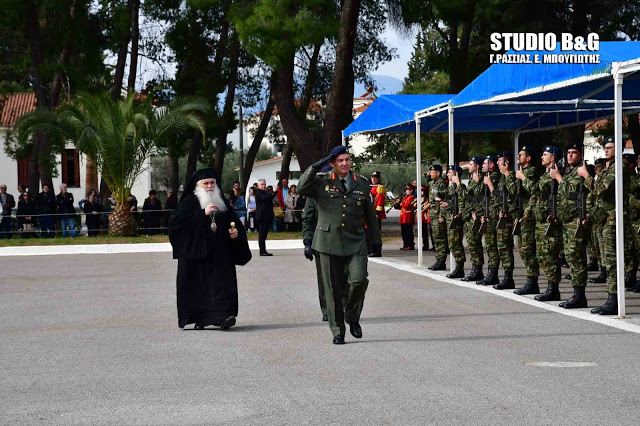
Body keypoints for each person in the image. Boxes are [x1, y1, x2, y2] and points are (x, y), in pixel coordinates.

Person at [298, 145, 381, 345]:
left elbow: (370, 214)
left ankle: (352, 316)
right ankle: (337, 330)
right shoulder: (321, 182)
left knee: (358, 281)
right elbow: (301, 188)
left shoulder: (360, 183)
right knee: (332, 289)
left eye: (347, 160)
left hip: (355, 241)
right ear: (333, 163)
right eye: (340, 160)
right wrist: (313, 167)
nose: (345, 163)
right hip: (328, 243)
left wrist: (375, 240)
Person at [169, 168, 251, 330]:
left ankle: (224, 317)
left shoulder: (222, 203)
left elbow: (235, 224)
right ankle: (200, 319)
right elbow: (176, 225)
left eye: (212, 183)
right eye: (205, 183)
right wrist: (202, 213)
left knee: (222, 287)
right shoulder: (188, 203)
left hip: (220, 255)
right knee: (198, 289)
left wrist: (235, 234)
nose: (209, 186)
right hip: (196, 256)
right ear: (198, 185)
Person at [580, 137, 632, 315]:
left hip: (614, 220)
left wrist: (587, 176)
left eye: (610, 147)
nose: (607, 150)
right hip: (603, 220)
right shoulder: (609, 168)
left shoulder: (620, 167)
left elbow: (602, 189)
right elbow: (597, 193)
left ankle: (614, 299)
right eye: (606, 147)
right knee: (606, 260)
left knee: (612, 261)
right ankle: (611, 297)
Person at [519, 146, 564, 301]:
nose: (542, 157)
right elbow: (536, 197)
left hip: (549, 220)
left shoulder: (555, 173)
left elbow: (536, 190)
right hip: (539, 220)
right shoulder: (546, 174)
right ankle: (547, 287)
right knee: (543, 255)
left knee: (550, 255)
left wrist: (523, 178)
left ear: (553, 158)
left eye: (545, 155)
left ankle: (553, 289)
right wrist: (528, 212)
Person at [552, 142, 590, 308]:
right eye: (568, 152)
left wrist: (558, 178)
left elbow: (568, 192)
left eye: (574, 152)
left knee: (576, 258)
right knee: (570, 256)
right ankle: (576, 294)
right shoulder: (569, 172)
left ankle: (579, 295)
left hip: (576, 220)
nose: (570, 155)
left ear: (580, 155)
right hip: (566, 221)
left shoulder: (582, 172)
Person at [511, 146, 541, 295]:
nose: (518, 157)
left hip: (529, 215)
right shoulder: (520, 172)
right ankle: (530, 280)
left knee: (528, 250)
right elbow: (513, 192)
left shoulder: (532, 172)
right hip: (521, 213)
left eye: (521, 155)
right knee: (523, 250)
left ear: (528, 158)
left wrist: (522, 178)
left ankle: (533, 281)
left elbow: (534, 191)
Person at [492, 151, 516, 289]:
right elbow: (498, 197)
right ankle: (506, 277)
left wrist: (508, 210)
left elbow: (515, 194)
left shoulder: (510, 176)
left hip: (509, 217)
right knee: (501, 247)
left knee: (505, 248)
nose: (497, 163)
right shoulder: (501, 179)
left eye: (500, 161)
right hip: (502, 214)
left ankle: (508, 278)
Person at [476, 156, 501, 285]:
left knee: (493, 246)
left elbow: (497, 197)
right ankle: (490, 273)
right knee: (490, 245)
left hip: (494, 216)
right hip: (488, 215)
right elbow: (481, 196)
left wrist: (489, 183)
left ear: (491, 166)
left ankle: (493, 274)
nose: (482, 166)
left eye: (485, 164)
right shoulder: (486, 177)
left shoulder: (495, 177)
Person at [461, 156, 485, 282]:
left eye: (471, 164)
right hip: (471, 215)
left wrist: (476, 182)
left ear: (477, 166)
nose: (469, 167)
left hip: (478, 215)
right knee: (471, 243)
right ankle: (475, 269)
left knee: (475, 242)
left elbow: (480, 196)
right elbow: (469, 198)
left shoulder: (480, 178)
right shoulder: (472, 179)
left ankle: (478, 269)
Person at [441, 165, 466, 278]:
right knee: (452, 243)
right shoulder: (451, 188)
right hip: (450, 218)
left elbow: (463, 201)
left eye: (450, 172)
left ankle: (460, 267)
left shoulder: (461, 187)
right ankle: (458, 266)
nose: (447, 174)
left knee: (455, 243)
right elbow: (450, 202)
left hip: (457, 219)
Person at [426, 164, 449, 271]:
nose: (430, 173)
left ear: (438, 173)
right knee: (436, 238)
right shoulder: (432, 183)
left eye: (432, 172)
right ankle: (438, 259)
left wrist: (442, 215)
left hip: (438, 214)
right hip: (433, 214)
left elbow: (443, 200)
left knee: (440, 238)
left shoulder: (441, 184)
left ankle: (442, 260)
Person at [255, 179, 278, 256]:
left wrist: (275, 192)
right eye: (262, 184)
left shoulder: (265, 192)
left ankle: (263, 250)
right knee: (262, 234)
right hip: (262, 216)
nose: (264, 186)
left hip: (267, 215)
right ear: (258, 186)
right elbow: (265, 198)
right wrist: (273, 192)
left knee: (264, 234)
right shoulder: (258, 193)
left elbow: (269, 198)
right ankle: (262, 251)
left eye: (264, 184)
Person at [367, 171, 386, 257]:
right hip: (371, 212)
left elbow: (380, 201)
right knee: (371, 232)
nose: (374, 179)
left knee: (376, 232)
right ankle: (372, 249)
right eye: (372, 177)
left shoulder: (379, 188)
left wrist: (377, 213)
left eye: (376, 177)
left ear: (379, 178)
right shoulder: (372, 187)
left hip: (376, 213)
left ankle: (377, 250)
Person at [394, 184, 415, 250]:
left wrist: (400, 202)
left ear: (411, 191)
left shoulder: (411, 197)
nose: (406, 191)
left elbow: (406, 205)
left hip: (408, 217)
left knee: (408, 232)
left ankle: (410, 245)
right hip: (403, 218)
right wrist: (397, 203)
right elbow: (400, 207)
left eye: (407, 190)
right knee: (404, 232)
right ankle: (405, 244)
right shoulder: (405, 197)